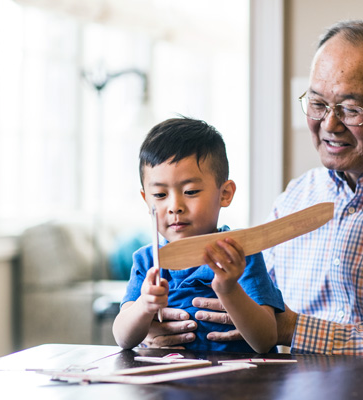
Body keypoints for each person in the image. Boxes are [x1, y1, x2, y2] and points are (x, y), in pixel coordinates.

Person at [140, 20, 363, 357]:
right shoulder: (298, 195)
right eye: (318, 104)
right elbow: (255, 305)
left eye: (351, 109)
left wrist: (291, 327)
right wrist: (162, 328)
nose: (329, 124)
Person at [112, 117, 285, 353]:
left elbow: (266, 340)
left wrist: (229, 290)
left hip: (238, 383)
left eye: (190, 191)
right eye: (160, 195)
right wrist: (144, 305)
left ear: (225, 194)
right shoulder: (146, 261)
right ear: (146, 200)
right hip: (167, 382)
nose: (174, 206)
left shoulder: (240, 253)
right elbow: (122, 338)